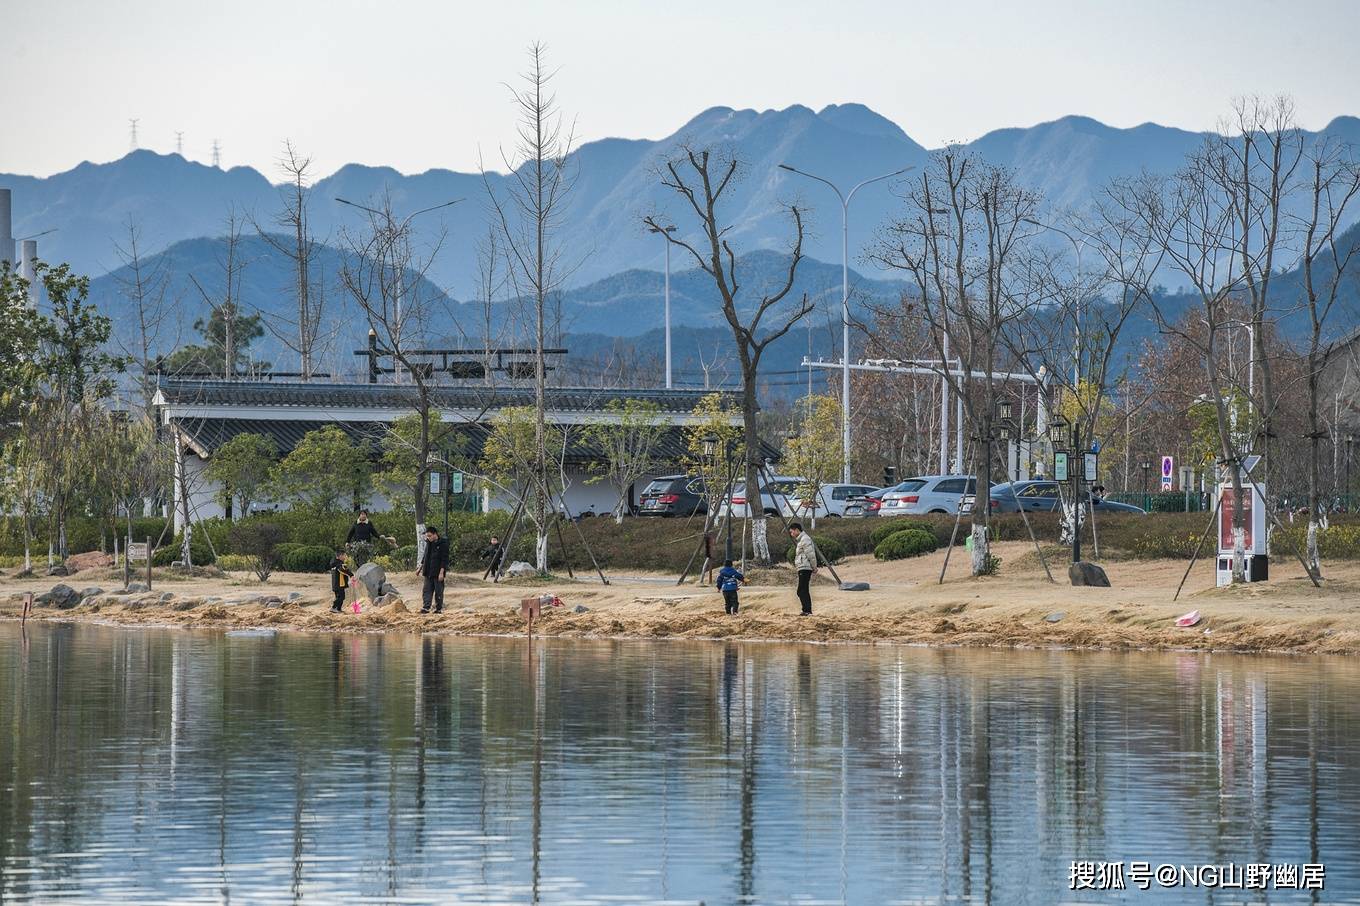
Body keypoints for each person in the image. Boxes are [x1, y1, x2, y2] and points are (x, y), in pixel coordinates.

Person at [417, 526, 449, 614]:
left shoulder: (443, 543)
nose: (428, 538)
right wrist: (420, 568)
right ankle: (426, 607)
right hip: (428, 571)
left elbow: (444, 559)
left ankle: (439, 608)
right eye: (427, 536)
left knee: (439, 591)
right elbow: (425, 556)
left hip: (438, 571)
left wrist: (442, 572)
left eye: (430, 536)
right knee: (427, 590)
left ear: (435, 534)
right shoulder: (428, 543)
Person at [789, 522, 815, 616]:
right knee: (803, 589)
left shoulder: (805, 539)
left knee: (801, 590)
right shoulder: (801, 540)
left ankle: (807, 610)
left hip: (805, 568)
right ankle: (806, 610)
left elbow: (811, 554)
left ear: (796, 530)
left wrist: (814, 567)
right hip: (802, 567)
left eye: (792, 532)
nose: (791, 534)